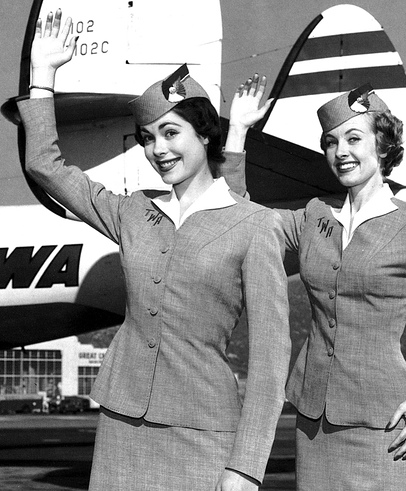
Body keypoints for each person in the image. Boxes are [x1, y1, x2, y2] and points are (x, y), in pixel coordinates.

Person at [18, 10, 291, 491]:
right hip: (121, 427)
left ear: (205, 135)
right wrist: (43, 76)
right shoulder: (132, 211)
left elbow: (271, 360)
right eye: (147, 138)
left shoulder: (253, 224)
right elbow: (46, 166)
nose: (157, 149)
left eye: (170, 132)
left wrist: (246, 466)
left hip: (204, 433)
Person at [226, 80, 406, 490]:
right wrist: (238, 132)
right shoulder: (314, 216)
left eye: (353, 139)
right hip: (313, 425)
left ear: (382, 146)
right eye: (331, 142)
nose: (341, 152)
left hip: (387, 427)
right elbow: (238, 219)